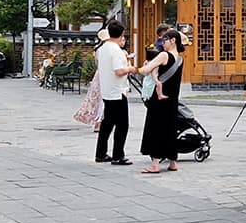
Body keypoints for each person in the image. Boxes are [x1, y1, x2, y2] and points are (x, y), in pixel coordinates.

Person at [139, 28, 185, 173]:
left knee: (155, 128)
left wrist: (142, 66)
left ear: (173, 41)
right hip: (172, 99)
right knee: (170, 128)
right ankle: (173, 162)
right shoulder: (180, 58)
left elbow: (146, 70)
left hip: (159, 99)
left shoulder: (164, 55)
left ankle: (155, 164)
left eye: (165, 40)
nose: (162, 42)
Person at [94, 21, 136, 165]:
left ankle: (100, 153)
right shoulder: (116, 50)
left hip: (107, 90)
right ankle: (118, 154)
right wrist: (130, 69)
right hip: (118, 91)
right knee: (122, 124)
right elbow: (119, 71)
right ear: (122, 33)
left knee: (107, 123)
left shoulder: (102, 48)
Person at [72, 32, 109, 129]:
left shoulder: (98, 49)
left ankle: (97, 121)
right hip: (106, 75)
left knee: (96, 98)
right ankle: (100, 121)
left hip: (99, 74)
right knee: (103, 99)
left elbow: (97, 63)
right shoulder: (109, 49)